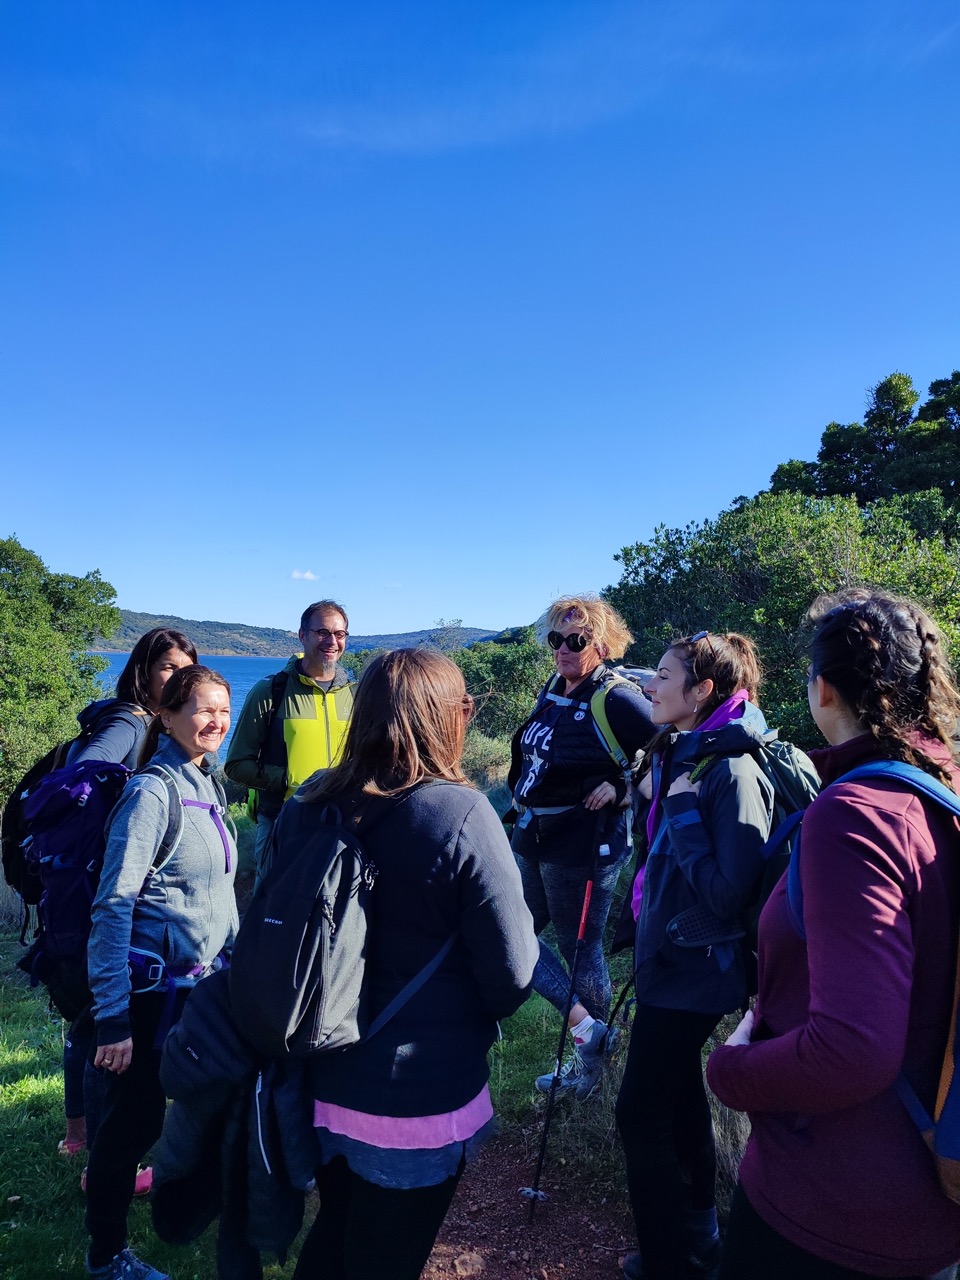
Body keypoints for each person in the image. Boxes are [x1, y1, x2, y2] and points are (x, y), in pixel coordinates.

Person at [707, 590, 960, 1280]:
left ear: (821, 688)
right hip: (932, 1193)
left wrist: (728, 1072)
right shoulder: (943, 793)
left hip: (834, 1204)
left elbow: (853, 1050)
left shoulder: (855, 816)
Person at [273, 648, 537, 1280]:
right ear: (448, 717)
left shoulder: (307, 804)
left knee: (335, 1233)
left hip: (316, 1073)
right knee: (387, 1256)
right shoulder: (461, 814)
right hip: (416, 1096)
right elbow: (514, 972)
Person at [615, 630, 775, 1280]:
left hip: (693, 973)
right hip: (671, 961)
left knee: (639, 1114)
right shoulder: (688, 753)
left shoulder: (730, 770)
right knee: (677, 1099)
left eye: (662, 674)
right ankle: (700, 1241)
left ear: (703, 690)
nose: (649, 685)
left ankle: (668, 1264)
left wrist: (679, 815)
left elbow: (728, 891)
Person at [84, 664, 238, 1280]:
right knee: (132, 1126)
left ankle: (192, 1210)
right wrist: (112, 1018)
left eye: (224, 711)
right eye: (203, 709)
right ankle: (105, 1256)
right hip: (152, 1000)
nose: (217, 723)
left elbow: (215, 895)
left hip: (204, 990)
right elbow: (113, 905)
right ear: (168, 716)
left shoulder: (206, 782)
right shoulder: (153, 793)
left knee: (211, 1104)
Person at [508, 594, 655, 1099]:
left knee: (580, 949)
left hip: (582, 846)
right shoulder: (556, 686)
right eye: (556, 639)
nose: (563, 649)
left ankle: (591, 1069)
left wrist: (621, 784)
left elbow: (667, 747)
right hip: (533, 834)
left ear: (603, 644)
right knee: (508, 932)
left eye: (577, 640)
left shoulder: (615, 697)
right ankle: (592, 1037)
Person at [60, 628, 197, 1164]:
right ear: (143, 671)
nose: (177, 677)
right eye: (167, 667)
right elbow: (81, 777)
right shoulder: (130, 720)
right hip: (101, 885)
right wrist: (129, 812)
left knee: (87, 1018)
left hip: (90, 881)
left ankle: (79, 1136)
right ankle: (102, 1156)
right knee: (100, 1022)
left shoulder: (146, 724)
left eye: (186, 667)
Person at [225, 599, 355, 887]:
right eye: (322, 632)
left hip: (339, 826)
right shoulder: (270, 691)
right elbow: (236, 765)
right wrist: (290, 780)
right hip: (281, 823)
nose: (331, 641)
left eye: (339, 634)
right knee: (272, 911)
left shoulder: (354, 695)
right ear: (302, 635)